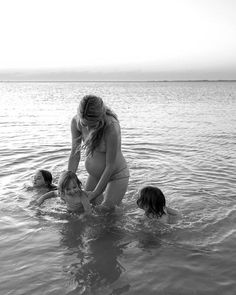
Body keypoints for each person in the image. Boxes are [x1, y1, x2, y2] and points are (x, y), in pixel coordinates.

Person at [68, 95, 129, 210]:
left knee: (106, 212)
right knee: (81, 208)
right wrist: (67, 181)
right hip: (95, 175)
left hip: (116, 175)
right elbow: (74, 154)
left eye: (93, 125)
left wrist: (95, 193)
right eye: (84, 124)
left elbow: (110, 165)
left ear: (101, 118)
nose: (88, 128)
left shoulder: (111, 127)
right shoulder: (75, 122)